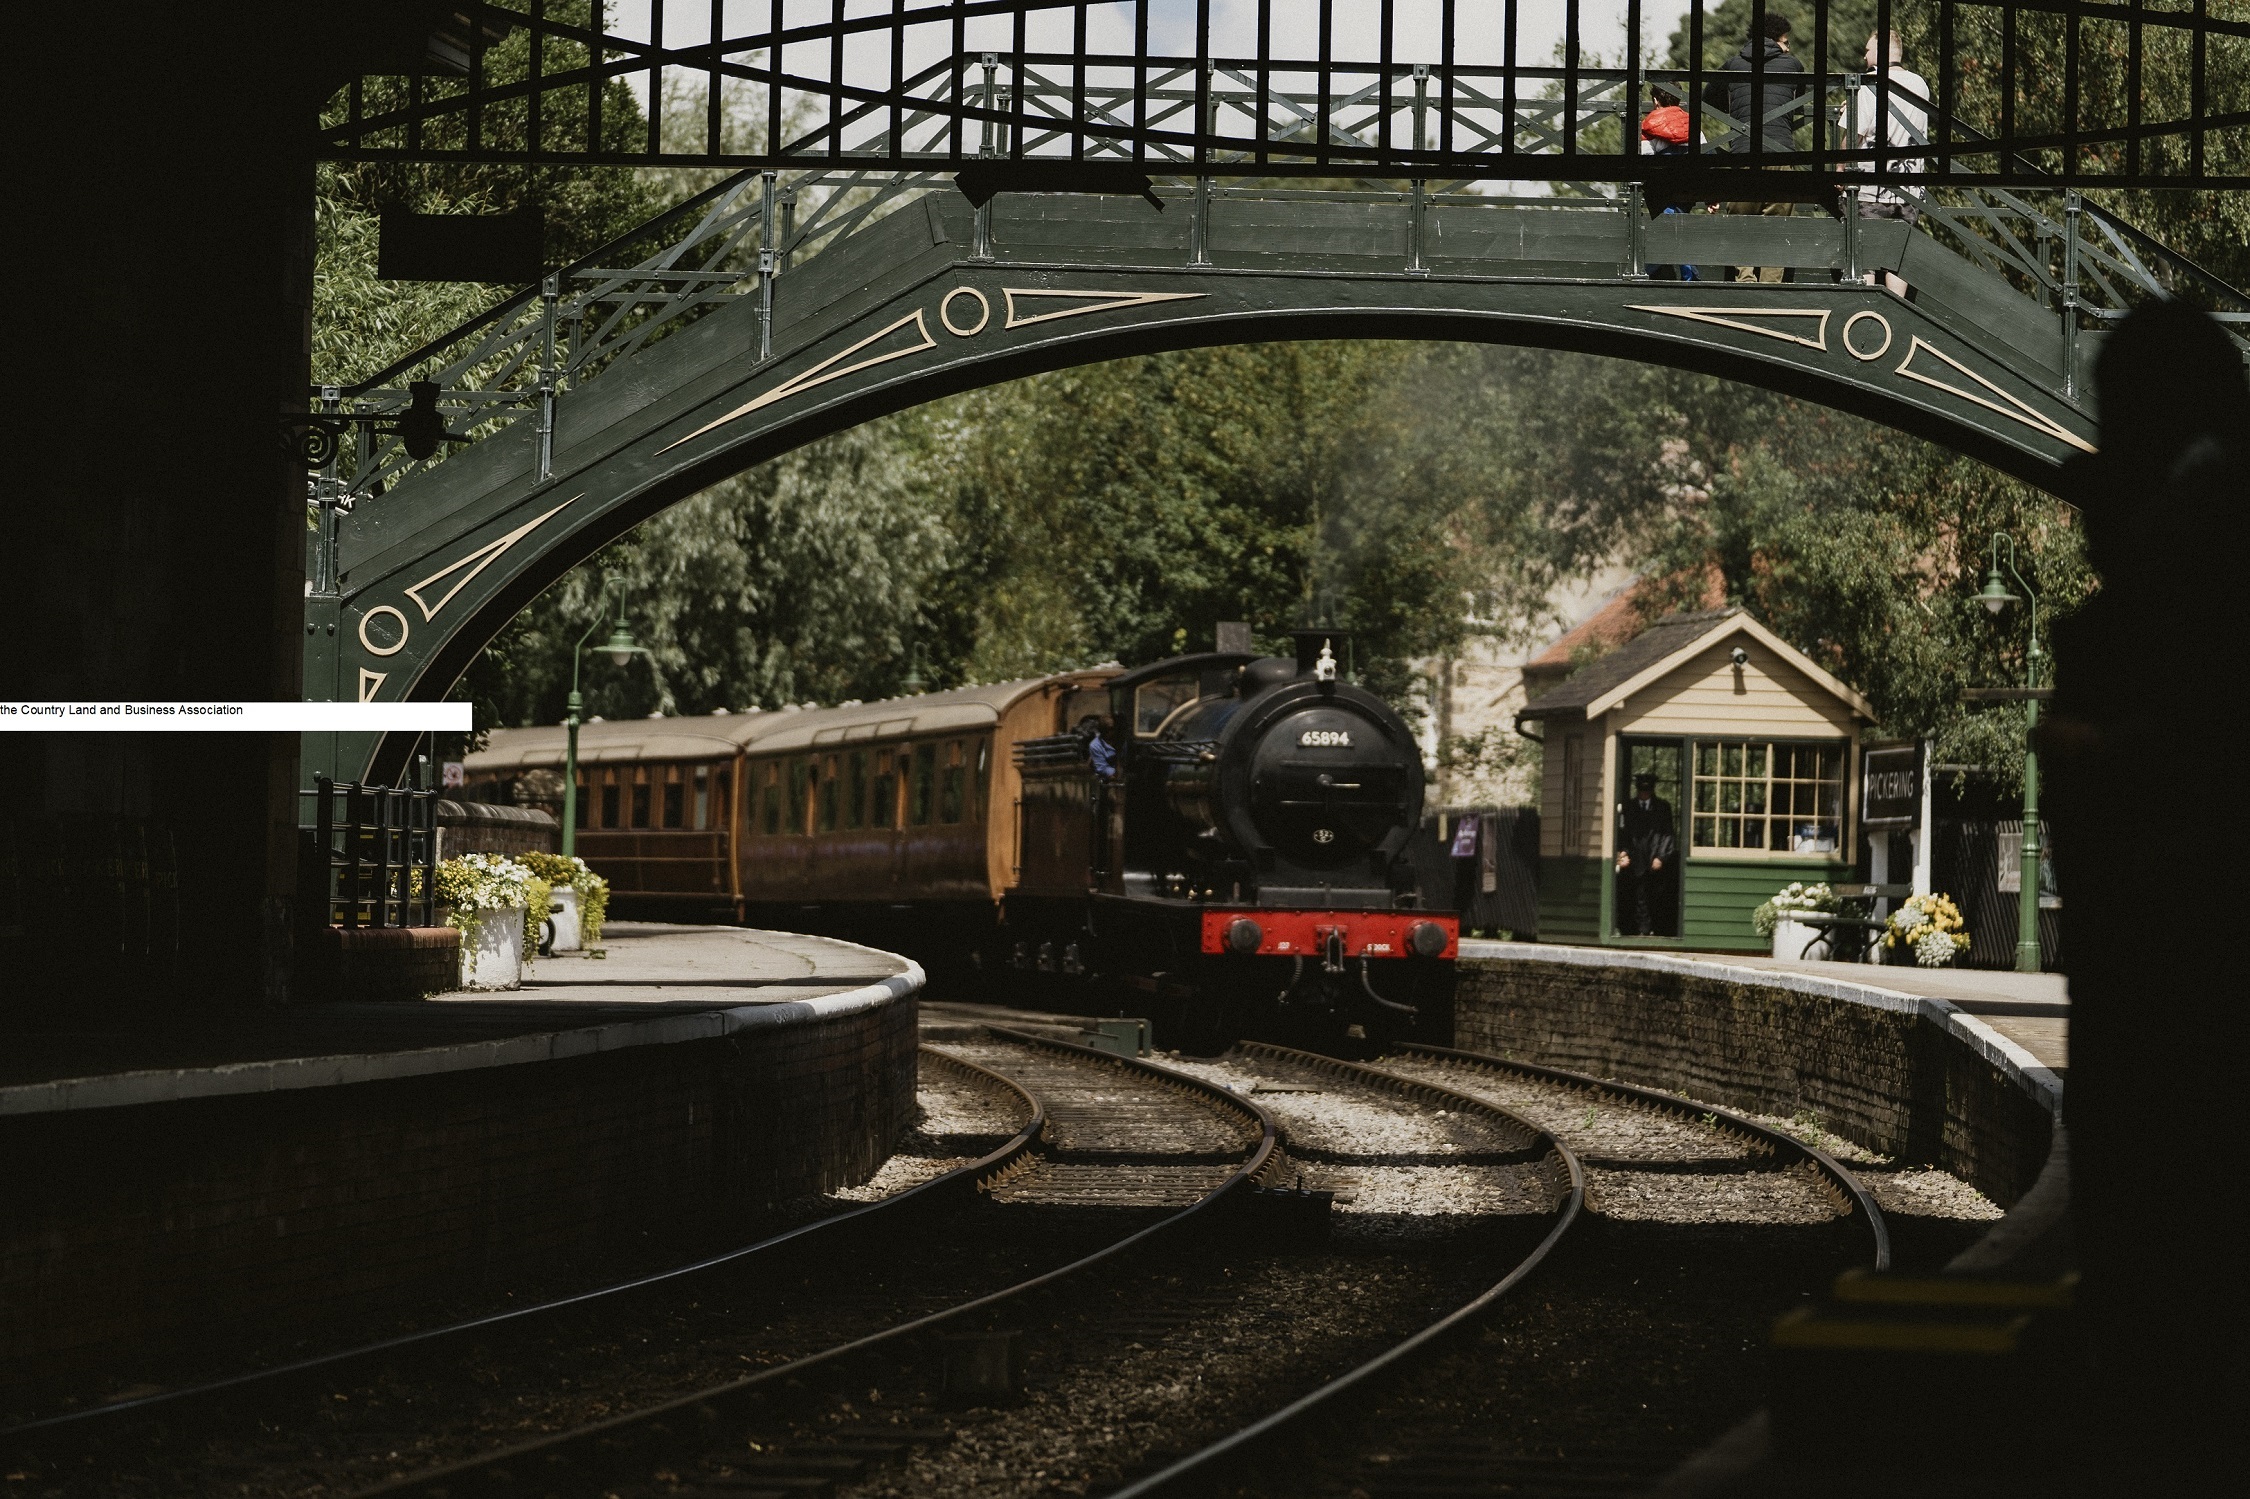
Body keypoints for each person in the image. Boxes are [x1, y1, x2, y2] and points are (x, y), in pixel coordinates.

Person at [1704, 12, 1807, 283]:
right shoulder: (1793, 65)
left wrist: (1739, 113)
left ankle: (1745, 280)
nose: (1789, 48)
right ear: (1777, 40)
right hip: (1780, 153)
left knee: (1740, 223)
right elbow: (1802, 105)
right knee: (1776, 225)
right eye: (1787, 42)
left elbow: (1707, 99)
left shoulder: (1732, 64)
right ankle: (1771, 286)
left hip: (1742, 154)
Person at [1841, 30, 1930, 298]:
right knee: (1896, 259)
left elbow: (1853, 135)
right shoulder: (1920, 85)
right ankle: (1895, 309)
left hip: (1870, 186)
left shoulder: (1867, 84)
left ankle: (1867, 309)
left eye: (1867, 50)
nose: (1864, 55)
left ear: (1879, 52)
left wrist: (1839, 170)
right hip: (1909, 186)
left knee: (1866, 254)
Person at [1640, 87, 1701, 281]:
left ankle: (1646, 270)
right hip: (1687, 186)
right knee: (1680, 225)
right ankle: (1690, 277)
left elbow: (1645, 159)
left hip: (1662, 189)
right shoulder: (1692, 124)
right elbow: (1705, 155)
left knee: (1665, 230)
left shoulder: (1650, 125)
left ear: (1656, 100)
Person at [1614, 772, 1678, 936]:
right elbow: (1622, 834)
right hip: (1635, 860)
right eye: (1641, 791)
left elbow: (1668, 834)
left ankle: (1656, 929)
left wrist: (1661, 857)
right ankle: (1639, 930)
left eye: (1647, 791)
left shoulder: (1663, 808)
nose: (1644, 794)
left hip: (1655, 859)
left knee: (1655, 897)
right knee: (1635, 897)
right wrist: (1623, 853)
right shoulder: (1628, 807)